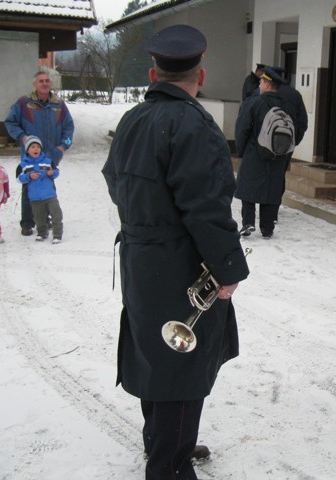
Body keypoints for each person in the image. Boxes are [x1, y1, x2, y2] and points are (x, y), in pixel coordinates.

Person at [101, 24, 250, 480]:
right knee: (181, 363)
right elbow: (207, 209)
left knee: (158, 353)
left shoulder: (132, 119)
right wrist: (229, 270)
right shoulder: (194, 124)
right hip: (182, 264)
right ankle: (169, 464)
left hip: (142, 260)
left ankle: (162, 442)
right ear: (200, 76)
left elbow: (114, 180)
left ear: (152, 73)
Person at [5, 70, 74, 236]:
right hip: (30, 158)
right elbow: (10, 122)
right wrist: (22, 137)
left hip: (50, 155)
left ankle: (46, 219)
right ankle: (27, 222)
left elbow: (69, 128)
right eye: (41, 81)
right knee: (29, 188)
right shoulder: (24, 103)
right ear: (35, 84)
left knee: (48, 187)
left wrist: (63, 147)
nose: (44, 83)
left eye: (47, 81)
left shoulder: (59, 105)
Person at [235, 66, 297, 239]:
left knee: (248, 187)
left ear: (268, 84)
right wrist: (286, 153)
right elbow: (295, 132)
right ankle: (267, 227)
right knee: (272, 188)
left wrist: (241, 150)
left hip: (254, 152)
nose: (259, 84)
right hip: (278, 154)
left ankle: (248, 222)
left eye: (262, 81)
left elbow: (242, 128)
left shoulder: (254, 103)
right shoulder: (288, 107)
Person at [17, 136, 63, 244]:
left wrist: (53, 173)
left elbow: (56, 171)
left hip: (50, 195)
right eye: (32, 147)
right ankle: (42, 233)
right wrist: (29, 176)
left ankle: (57, 234)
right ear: (27, 150)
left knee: (56, 214)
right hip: (35, 197)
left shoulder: (47, 161)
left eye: (38, 147)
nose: (36, 149)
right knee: (39, 218)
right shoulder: (23, 165)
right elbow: (19, 178)